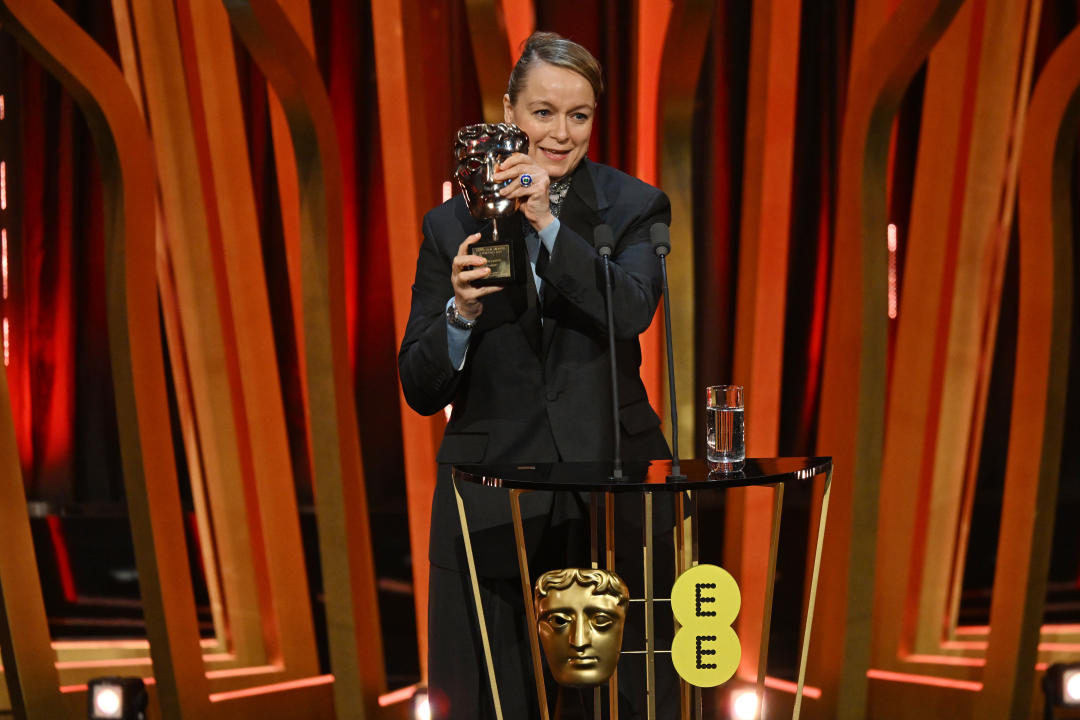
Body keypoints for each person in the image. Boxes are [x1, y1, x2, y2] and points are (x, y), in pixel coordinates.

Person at [398, 31, 671, 720]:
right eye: (543, 112)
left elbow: (632, 309)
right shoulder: (450, 222)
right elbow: (419, 385)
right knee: (490, 695)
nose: (561, 132)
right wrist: (458, 313)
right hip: (493, 495)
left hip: (608, 484)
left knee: (618, 699)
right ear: (509, 111)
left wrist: (547, 220)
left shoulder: (632, 205)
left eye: (579, 115)